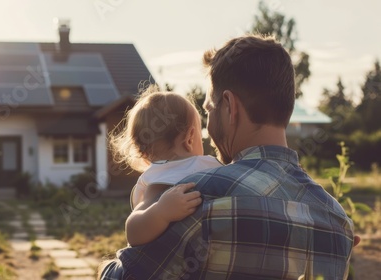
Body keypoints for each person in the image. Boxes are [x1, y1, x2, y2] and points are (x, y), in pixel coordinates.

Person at [99, 34, 356, 280]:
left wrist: (106, 268)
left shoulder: (199, 195)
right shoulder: (338, 222)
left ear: (230, 107)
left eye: (209, 109)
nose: (207, 132)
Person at [109, 88, 222, 246]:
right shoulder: (158, 183)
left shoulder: (156, 176)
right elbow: (133, 232)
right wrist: (161, 212)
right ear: (190, 138)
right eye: (199, 137)